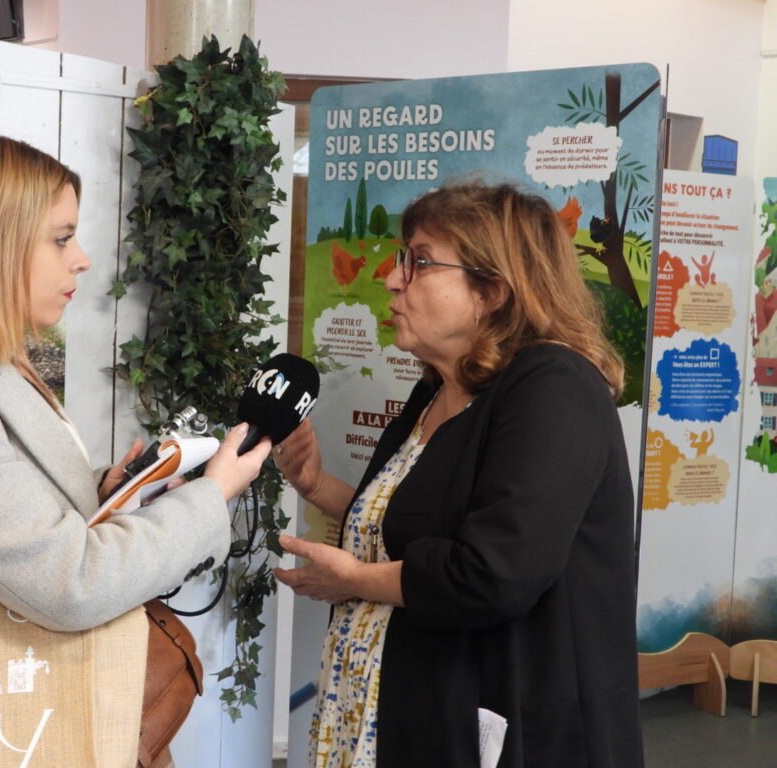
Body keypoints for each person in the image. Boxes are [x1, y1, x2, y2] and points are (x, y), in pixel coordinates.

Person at [273, 180, 643, 767]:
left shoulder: (554, 388)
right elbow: (420, 526)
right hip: (388, 712)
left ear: (492, 290)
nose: (393, 279)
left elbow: (492, 572)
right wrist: (318, 486)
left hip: (502, 731)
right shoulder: (438, 390)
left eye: (418, 261)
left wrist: (354, 580)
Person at [0, 131, 271, 631]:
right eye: (61, 238)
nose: (82, 259)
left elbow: (2, 513)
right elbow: (73, 585)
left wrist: (104, 491)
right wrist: (210, 496)